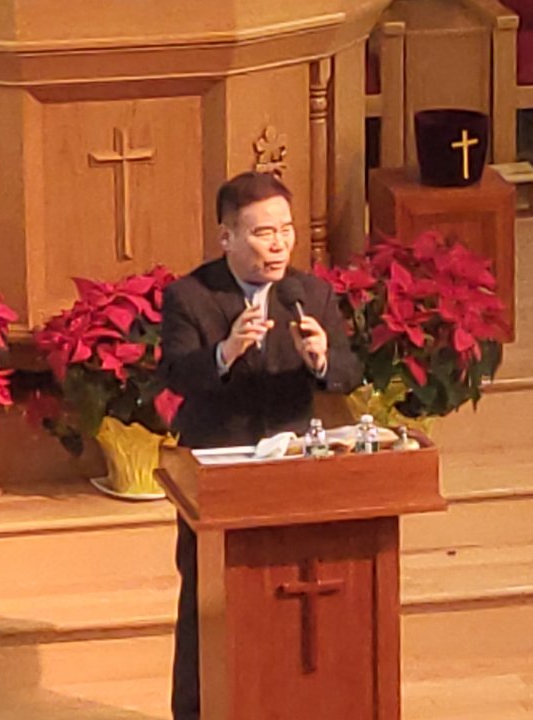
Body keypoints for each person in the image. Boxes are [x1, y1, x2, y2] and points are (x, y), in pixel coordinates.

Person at [158, 171, 362, 719]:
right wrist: (224, 352)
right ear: (227, 237)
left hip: (292, 471)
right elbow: (175, 374)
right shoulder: (191, 296)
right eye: (263, 233)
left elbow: (348, 372)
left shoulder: (309, 294)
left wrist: (321, 358)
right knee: (207, 600)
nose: (278, 245)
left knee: (290, 592)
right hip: (218, 473)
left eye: (286, 230)